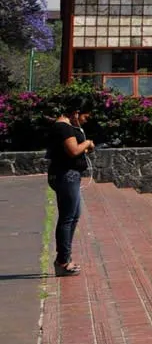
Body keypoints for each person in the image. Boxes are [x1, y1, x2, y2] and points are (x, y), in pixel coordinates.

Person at [48, 104, 95, 276]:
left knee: (73, 216)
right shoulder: (64, 128)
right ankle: (62, 261)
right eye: (85, 117)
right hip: (66, 175)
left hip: (70, 175)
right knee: (67, 218)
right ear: (76, 112)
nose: (84, 121)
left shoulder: (68, 127)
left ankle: (65, 257)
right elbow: (73, 150)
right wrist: (87, 143)